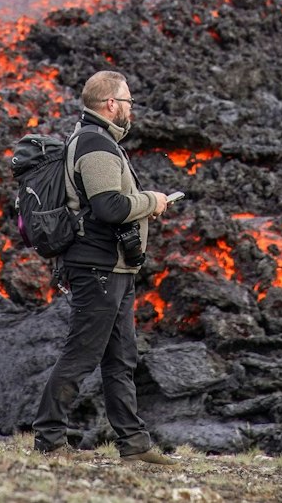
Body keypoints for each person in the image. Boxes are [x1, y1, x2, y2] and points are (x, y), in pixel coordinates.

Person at [31, 70, 178, 464]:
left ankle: (134, 444)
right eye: (128, 100)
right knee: (81, 354)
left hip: (115, 268)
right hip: (98, 267)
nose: (131, 108)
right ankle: (48, 439)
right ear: (111, 104)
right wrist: (153, 201)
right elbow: (109, 207)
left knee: (120, 358)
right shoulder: (96, 145)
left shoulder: (99, 141)